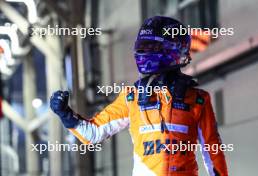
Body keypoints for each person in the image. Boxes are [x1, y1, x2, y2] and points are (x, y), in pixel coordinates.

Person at [50, 16, 228, 176]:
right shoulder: (131, 97)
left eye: (151, 47)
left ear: (174, 50)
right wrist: (65, 114)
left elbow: (212, 151)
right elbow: (93, 133)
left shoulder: (198, 99)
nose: (144, 53)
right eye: (142, 47)